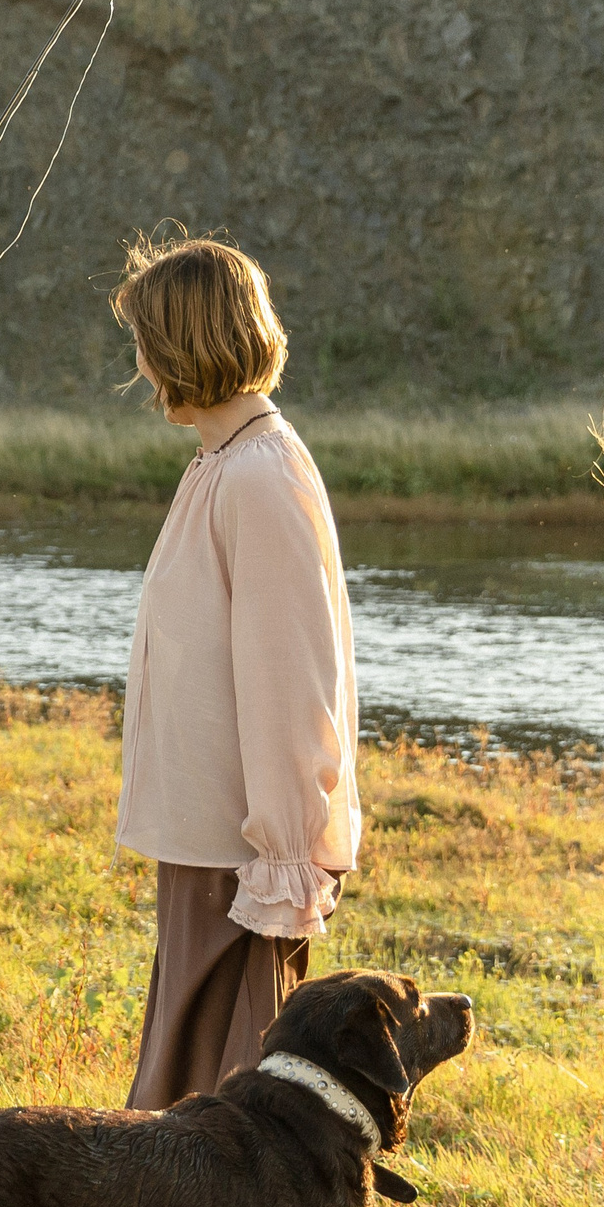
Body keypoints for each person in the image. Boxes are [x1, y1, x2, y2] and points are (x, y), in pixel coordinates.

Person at [109, 235, 360, 1111]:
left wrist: (284, 857)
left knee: (223, 1116)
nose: (138, 362)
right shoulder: (221, 467)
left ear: (181, 345)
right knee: (180, 1108)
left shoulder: (261, 475)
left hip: (243, 862)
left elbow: (293, 684)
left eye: (145, 339)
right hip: (206, 847)